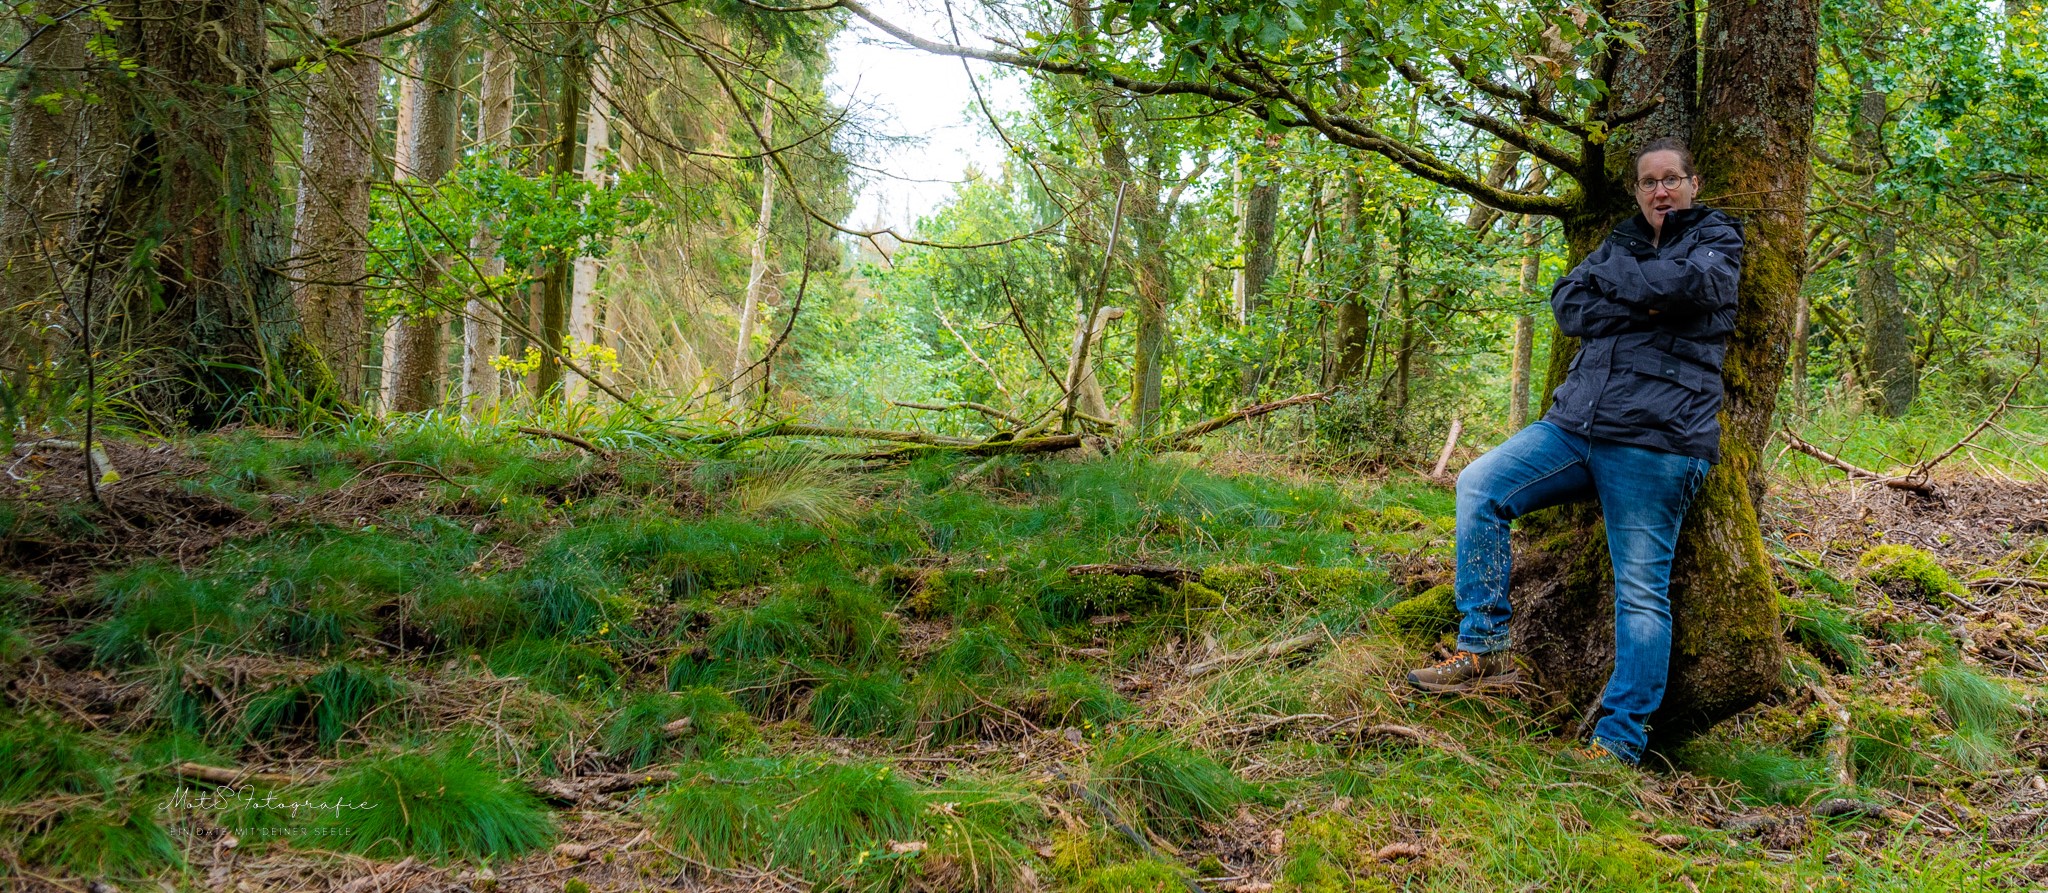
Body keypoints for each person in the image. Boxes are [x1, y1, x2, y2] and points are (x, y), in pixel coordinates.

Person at [1403, 137, 1744, 767]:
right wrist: (1647, 296)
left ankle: (1618, 742)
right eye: (1648, 182)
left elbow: (1690, 288)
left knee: (1641, 591)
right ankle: (1483, 646)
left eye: (1672, 179)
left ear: (1693, 184)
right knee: (1479, 485)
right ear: (1637, 191)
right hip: (1576, 425)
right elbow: (1568, 304)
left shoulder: (1719, 241)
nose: (1660, 191)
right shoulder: (1621, 239)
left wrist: (1625, 289)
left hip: (1657, 439)